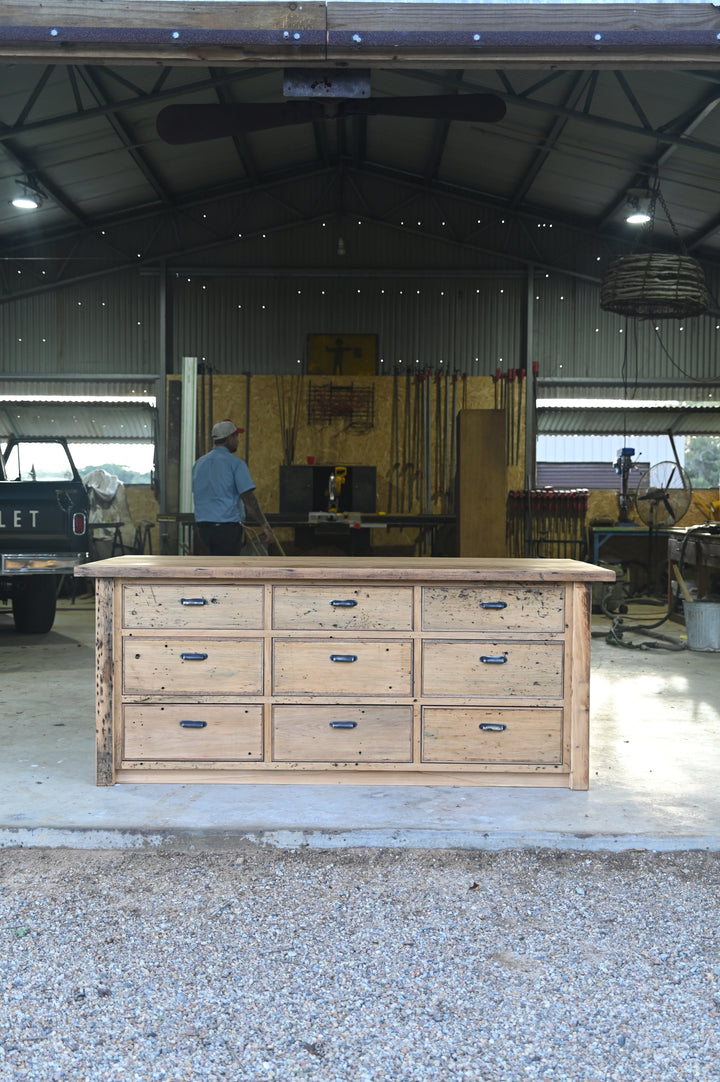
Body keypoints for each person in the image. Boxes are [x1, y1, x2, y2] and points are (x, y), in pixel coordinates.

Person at [192, 418, 274, 555]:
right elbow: (249, 499)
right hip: (226, 529)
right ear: (229, 438)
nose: (238, 441)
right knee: (228, 569)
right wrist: (264, 526)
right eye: (236, 436)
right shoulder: (236, 464)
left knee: (212, 567)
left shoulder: (199, 463)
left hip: (203, 528)